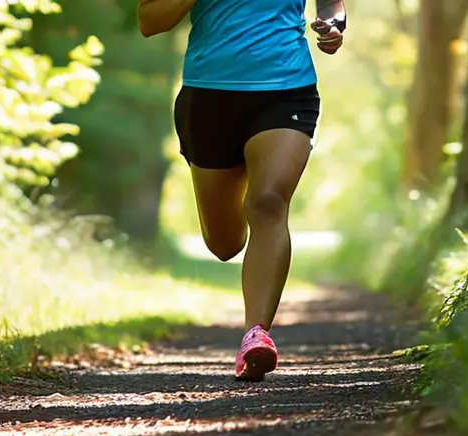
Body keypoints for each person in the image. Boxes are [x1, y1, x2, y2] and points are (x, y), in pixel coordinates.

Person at [136, 0, 345, 381]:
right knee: (224, 243)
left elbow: (331, 3)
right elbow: (149, 20)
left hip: (287, 89)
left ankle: (256, 334)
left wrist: (333, 24)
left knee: (268, 203)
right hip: (208, 97)